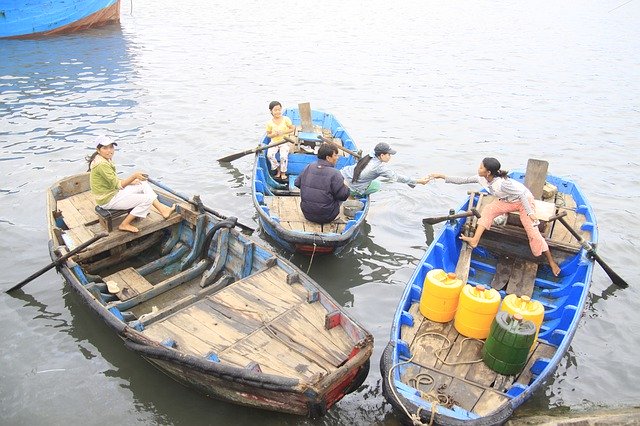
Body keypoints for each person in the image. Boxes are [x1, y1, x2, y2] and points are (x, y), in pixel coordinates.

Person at [427, 157, 561, 276]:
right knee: (488, 209)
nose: (478, 169)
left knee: (532, 231)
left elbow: (521, 195)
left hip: (524, 201)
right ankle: (474, 240)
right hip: (507, 201)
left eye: (481, 167)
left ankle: (551, 261)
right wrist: (441, 176)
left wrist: (530, 213)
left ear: (488, 172)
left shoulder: (503, 183)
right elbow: (462, 180)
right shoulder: (481, 179)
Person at [87, 136, 176, 233]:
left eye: (111, 147)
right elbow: (118, 185)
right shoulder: (102, 164)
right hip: (108, 199)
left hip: (112, 193)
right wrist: (134, 176)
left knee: (142, 183)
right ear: (98, 150)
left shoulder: (103, 159)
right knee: (148, 199)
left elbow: (113, 180)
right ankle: (124, 224)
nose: (109, 150)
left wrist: (132, 181)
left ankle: (163, 209)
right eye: (105, 148)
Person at [341, 142, 429, 197]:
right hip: (350, 188)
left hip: (342, 176)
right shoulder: (379, 167)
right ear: (382, 155)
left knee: (372, 181)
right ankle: (353, 195)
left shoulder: (371, 155)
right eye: (389, 155)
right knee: (377, 186)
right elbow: (397, 177)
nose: (390, 157)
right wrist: (419, 181)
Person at [294, 142, 350, 224]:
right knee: (342, 190)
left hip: (307, 214)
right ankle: (335, 216)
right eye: (335, 155)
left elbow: (297, 183)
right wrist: (346, 187)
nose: (337, 158)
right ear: (328, 158)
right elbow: (343, 196)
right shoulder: (335, 173)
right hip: (327, 217)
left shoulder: (309, 166)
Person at [265, 101, 295, 181]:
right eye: (275, 110)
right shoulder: (269, 123)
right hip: (274, 142)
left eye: (279, 109)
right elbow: (268, 135)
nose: (277, 112)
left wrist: (283, 132)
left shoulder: (286, 119)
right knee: (269, 155)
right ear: (271, 111)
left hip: (284, 141)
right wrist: (274, 134)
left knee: (283, 156)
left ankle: (283, 172)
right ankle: (278, 169)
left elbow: (292, 129)